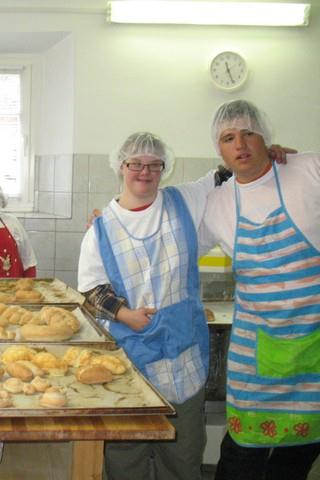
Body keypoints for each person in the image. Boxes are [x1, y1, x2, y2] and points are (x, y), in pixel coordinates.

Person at [78, 131, 216, 480]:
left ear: (164, 169)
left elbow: (225, 175)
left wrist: (274, 155)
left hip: (183, 353)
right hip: (131, 356)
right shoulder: (102, 228)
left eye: (154, 165)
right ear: (120, 166)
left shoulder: (183, 201)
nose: (145, 172)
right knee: (126, 452)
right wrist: (124, 314)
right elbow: (92, 289)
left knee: (183, 453)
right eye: (136, 164)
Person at [198, 99, 320, 480]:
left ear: (265, 136)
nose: (240, 144)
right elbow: (173, 242)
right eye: (228, 138)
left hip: (314, 348)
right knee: (241, 457)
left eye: (249, 133)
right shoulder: (217, 203)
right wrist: (116, 218)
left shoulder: (308, 169)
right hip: (255, 353)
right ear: (219, 149)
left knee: (297, 458)